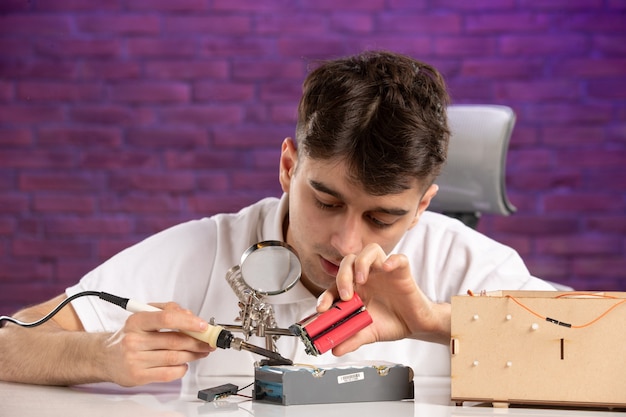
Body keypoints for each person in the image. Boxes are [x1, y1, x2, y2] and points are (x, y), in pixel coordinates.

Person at [0, 50, 554, 389]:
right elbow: (7, 344)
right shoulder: (203, 251)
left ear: (423, 206)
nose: (346, 240)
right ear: (289, 166)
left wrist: (437, 324)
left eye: (384, 217)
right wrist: (100, 354)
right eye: (327, 201)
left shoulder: (467, 263)